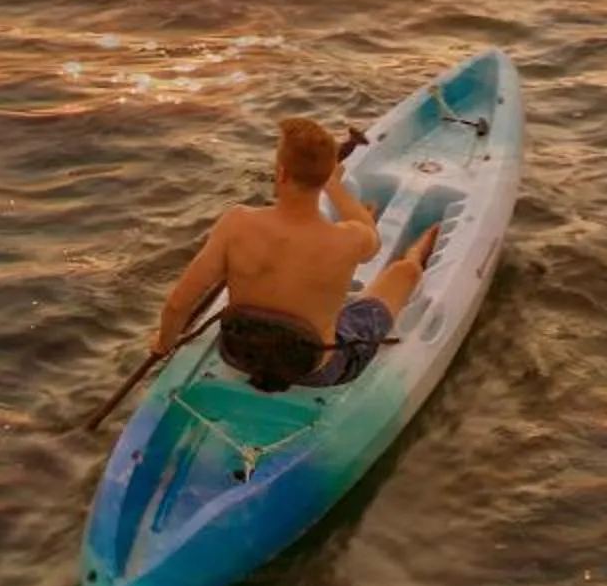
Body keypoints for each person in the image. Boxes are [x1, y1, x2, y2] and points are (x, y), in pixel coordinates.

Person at [147, 116, 442, 393]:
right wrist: (336, 188)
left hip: (239, 355)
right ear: (326, 174)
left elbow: (177, 305)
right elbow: (373, 240)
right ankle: (417, 253)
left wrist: (163, 345)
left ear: (282, 172)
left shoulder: (236, 223)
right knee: (404, 274)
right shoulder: (350, 238)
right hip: (316, 371)